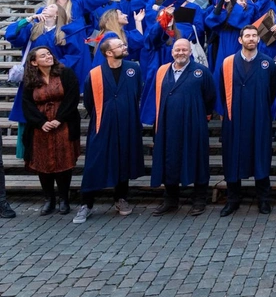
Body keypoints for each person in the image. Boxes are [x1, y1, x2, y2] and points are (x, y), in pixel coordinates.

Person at [75, 37, 145, 224]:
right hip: (102, 125)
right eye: (120, 46)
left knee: (123, 159)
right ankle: (86, 203)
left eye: (123, 44)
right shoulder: (95, 73)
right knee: (94, 163)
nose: (124, 47)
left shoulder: (134, 69)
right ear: (108, 52)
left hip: (127, 122)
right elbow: (89, 102)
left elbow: (138, 93)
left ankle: (121, 198)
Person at [217, 25, 276, 216]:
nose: (251, 38)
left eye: (254, 36)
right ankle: (232, 199)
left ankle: (264, 200)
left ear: (259, 39)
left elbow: (273, 90)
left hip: (259, 118)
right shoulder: (227, 63)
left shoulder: (267, 63)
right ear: (240, 39)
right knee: (232, 158)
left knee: (260, 157)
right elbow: (221, 89)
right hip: (234, 119)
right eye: (247, 36)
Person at [150, 39, 216, 216]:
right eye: (177, 50)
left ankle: (199, 199)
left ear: (190, 52)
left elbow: (210, 96)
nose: (180, 53)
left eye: (184, 50)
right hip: (167, 125)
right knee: (169, 160)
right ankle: (170, 200)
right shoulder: (162, 71)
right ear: (172, 52)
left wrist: (200, 114)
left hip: (193, 124)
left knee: (197, 160)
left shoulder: (201, 72)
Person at [21, 46, 81, 217]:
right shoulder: (30, 80)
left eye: (48, 54)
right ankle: (49, 199)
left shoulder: (65, 73)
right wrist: (41, 123)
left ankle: (64, 199)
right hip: (41, 128)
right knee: (43, 163)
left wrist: (59, 119)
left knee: (64, 161)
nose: (48, 57)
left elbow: (72, 97)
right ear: (34, 62)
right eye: (43, 55)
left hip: (63, 123)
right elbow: (27, 104)